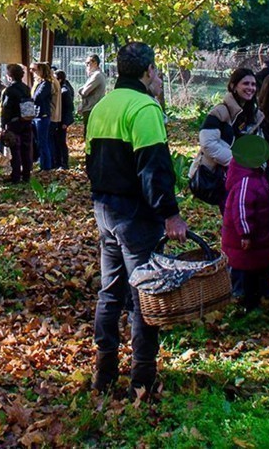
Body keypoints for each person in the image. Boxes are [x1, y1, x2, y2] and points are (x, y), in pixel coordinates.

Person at [85, 42, 188, 398]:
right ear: (148, 71)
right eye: (156, 71)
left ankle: (105, 371)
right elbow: (155, 168)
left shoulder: (102, 107)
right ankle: (143, 376)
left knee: (110, 291)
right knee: (144, 292)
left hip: (105, 209)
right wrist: (170, 215)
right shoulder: (144, 107)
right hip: (135, 214)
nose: (157, 77)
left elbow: (89, 161)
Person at [189, 67, 263, 211]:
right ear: (234, 86)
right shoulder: (220, 111)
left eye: (253, 84)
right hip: (217, 176)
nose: (250, 88)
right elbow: (208, 143)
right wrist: (236, 161)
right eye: (246, 83)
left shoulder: (254, 116)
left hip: (240, 177)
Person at [222, 146, 269, 311]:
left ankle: (262, 293)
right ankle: (244, 299)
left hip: (260, 237)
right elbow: (242, 209)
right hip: (246, 240)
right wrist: (245, 233)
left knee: (259, 266)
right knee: (245, 271)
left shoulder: (257, 177)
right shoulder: (245, 181)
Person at [0, 64, 34, 184]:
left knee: (15, 149)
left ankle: (16, 175)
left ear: (10, 76)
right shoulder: (26, 88)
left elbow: (6, 108)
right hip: (26, 121)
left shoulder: (9, 90)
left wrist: (3, 125)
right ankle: (26, 175)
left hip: (14, 123)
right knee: (26, 148)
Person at [31, 63, 54, 171]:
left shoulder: (46, 84)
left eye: (36, 70)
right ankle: (42, 163)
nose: (34, 73)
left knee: (43, 141)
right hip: (37, 114)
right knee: (39, 141)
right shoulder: (40, 83)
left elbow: (37, 97)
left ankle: (46, 165)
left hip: (42, 115)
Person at [54, 70, 75, 170]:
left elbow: (69, 108)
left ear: (60, 79)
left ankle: (64, 163)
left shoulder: (64, 91)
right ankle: (58, 162)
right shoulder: (63, 89)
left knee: (61, 142)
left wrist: (65, 122)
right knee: (58, 141)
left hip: (62, 120)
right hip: (60, 119)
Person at [78, 53, 106, 120]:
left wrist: (80, 90)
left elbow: (84, 92)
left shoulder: (97, 75)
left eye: (88, 63)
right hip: (90, 109)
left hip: (92, 109)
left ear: (95, 63)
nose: (86, 65)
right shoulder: (93, 75)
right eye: (86, 63)